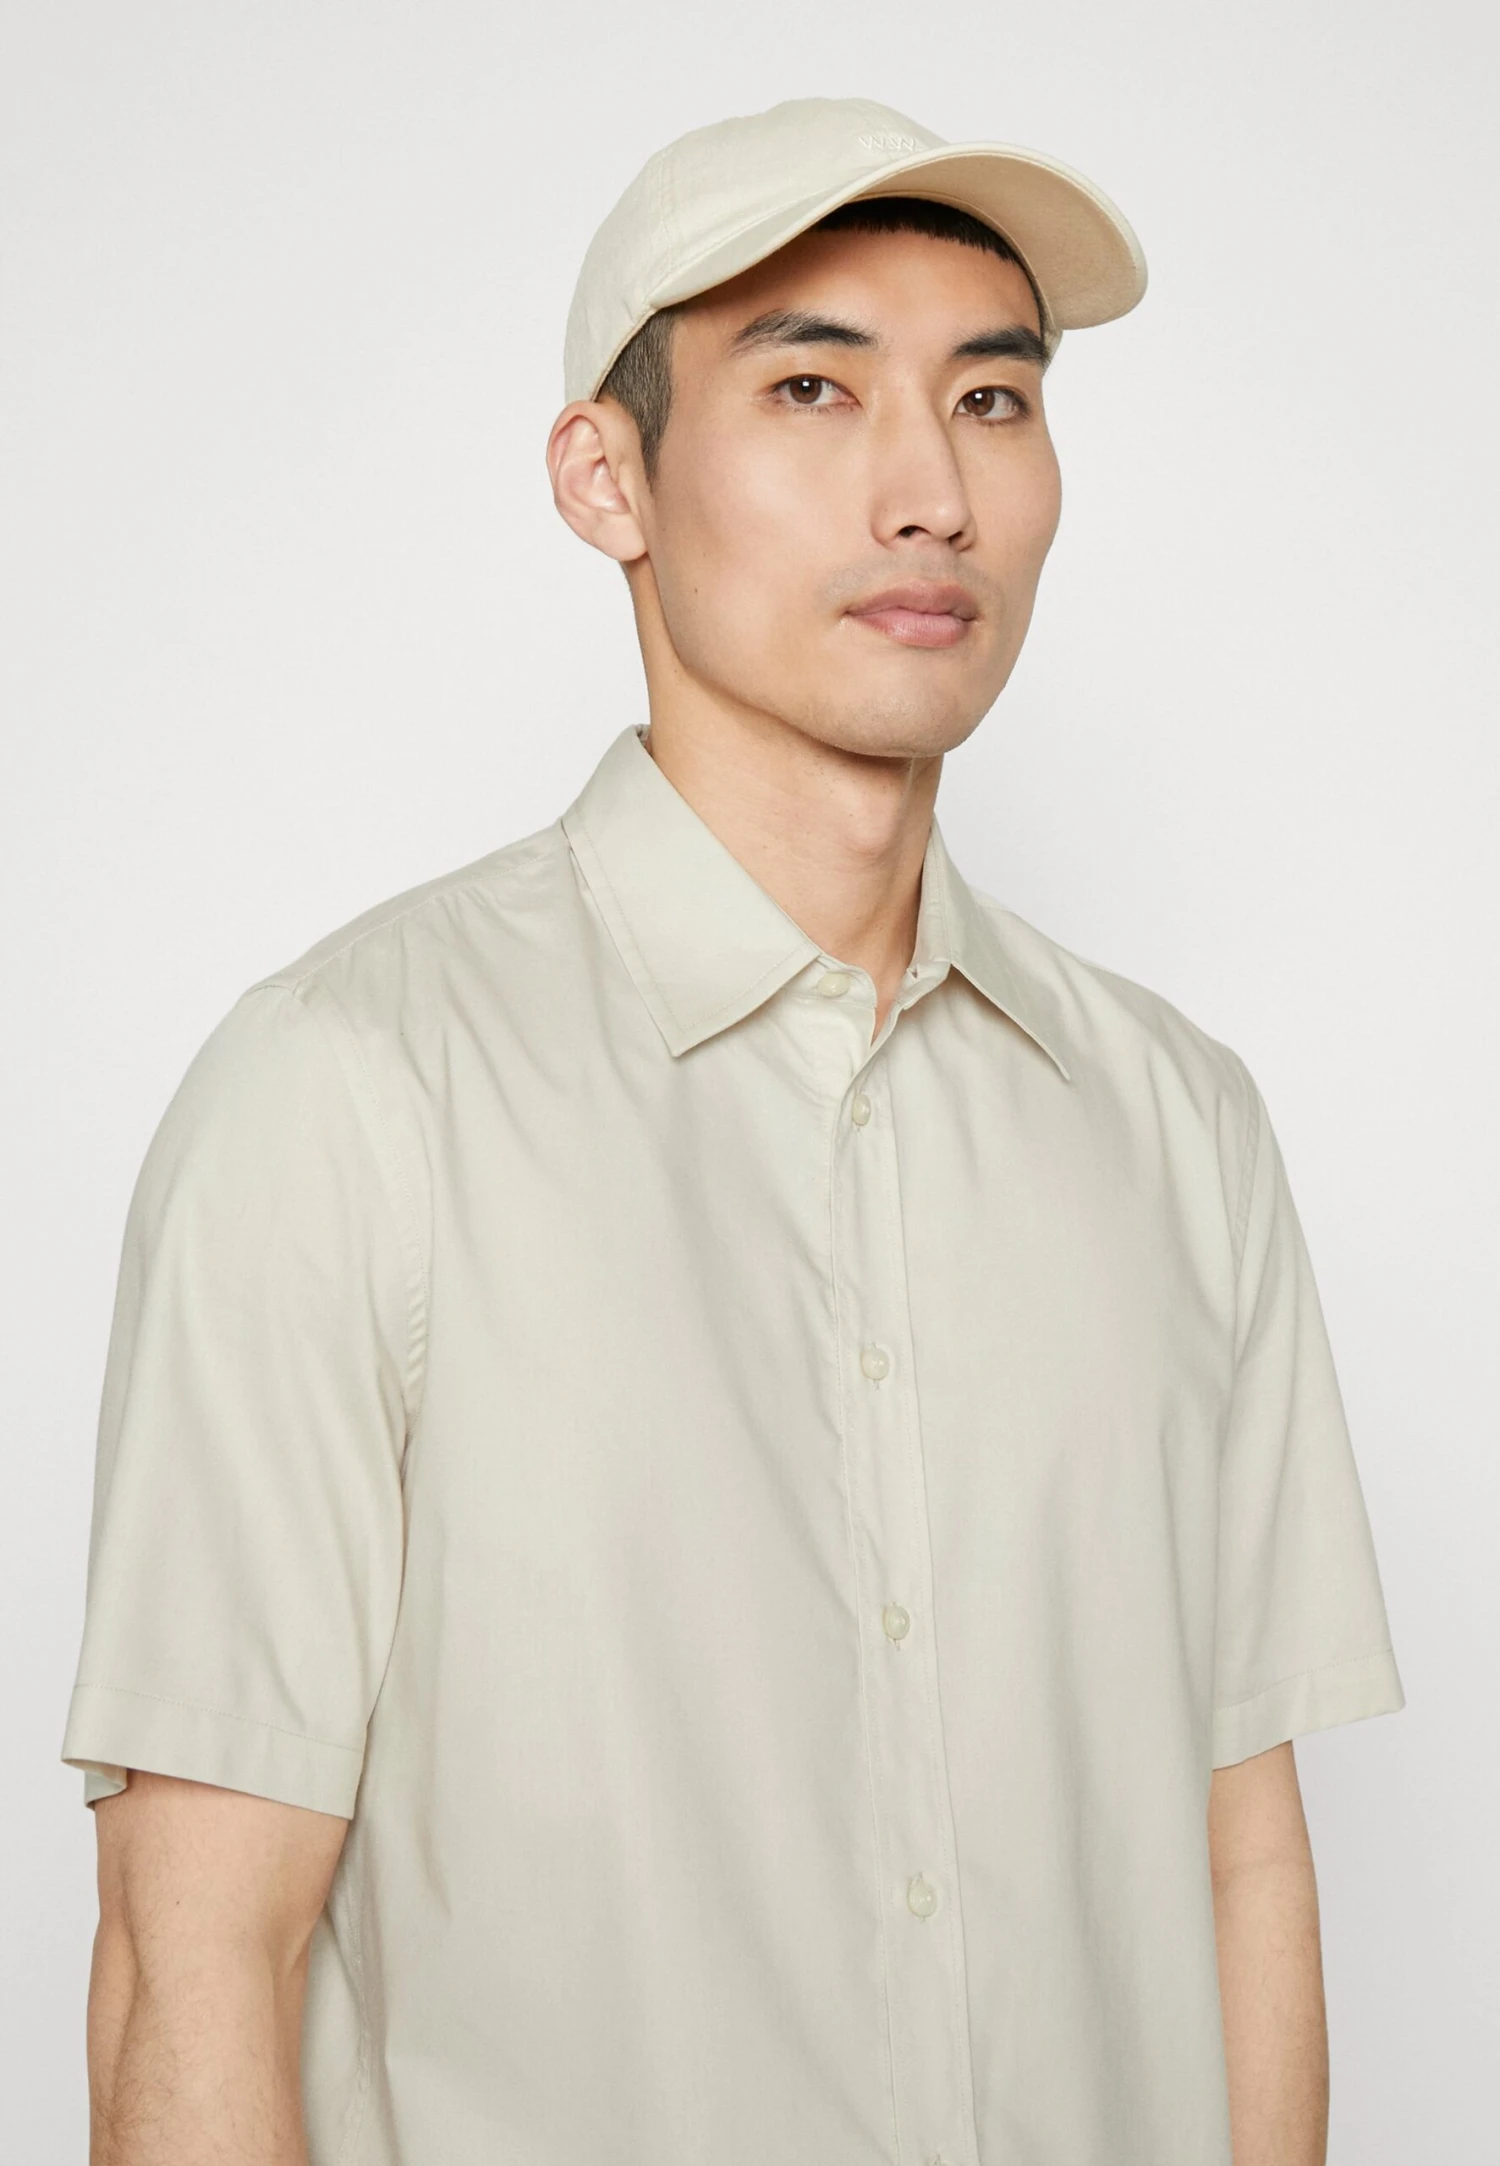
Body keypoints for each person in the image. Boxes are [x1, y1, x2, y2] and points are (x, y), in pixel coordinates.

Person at [64, 94, 1403, 2166]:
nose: (930, 492)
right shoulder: (349, 1095)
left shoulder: (1178, 1127)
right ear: (608, 477)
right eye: (811, 386)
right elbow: (196, 1955)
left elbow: (1241, 1858)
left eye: (992, 399)